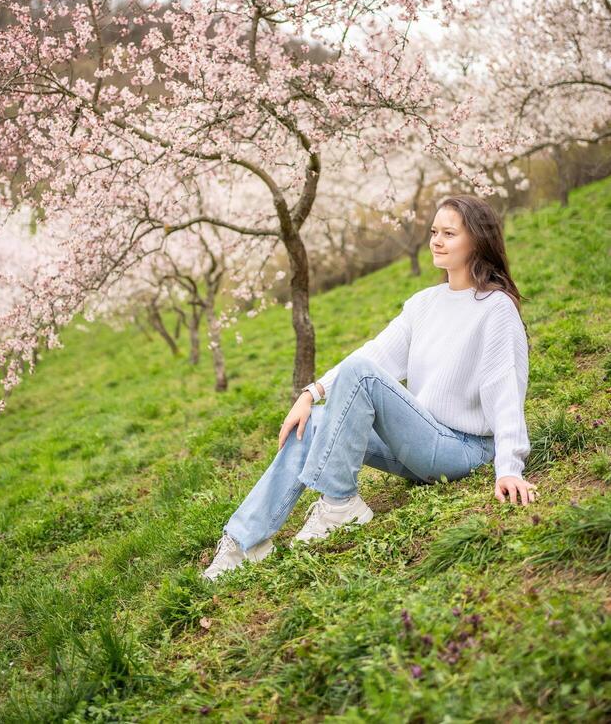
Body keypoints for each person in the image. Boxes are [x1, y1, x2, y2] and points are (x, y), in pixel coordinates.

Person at [202, 194, 538, 581]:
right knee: (312, 423)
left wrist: (508, 467)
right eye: (433, 232)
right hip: (419, 442)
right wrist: (311, 394)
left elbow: (505, 391)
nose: (436, 241)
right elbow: (377, 353)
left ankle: (339, 503)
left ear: (477, 241)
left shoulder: (495, 308)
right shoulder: (424, 303)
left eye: (449, 233)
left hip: (462, 449)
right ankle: (244, 542)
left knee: (360, 373)